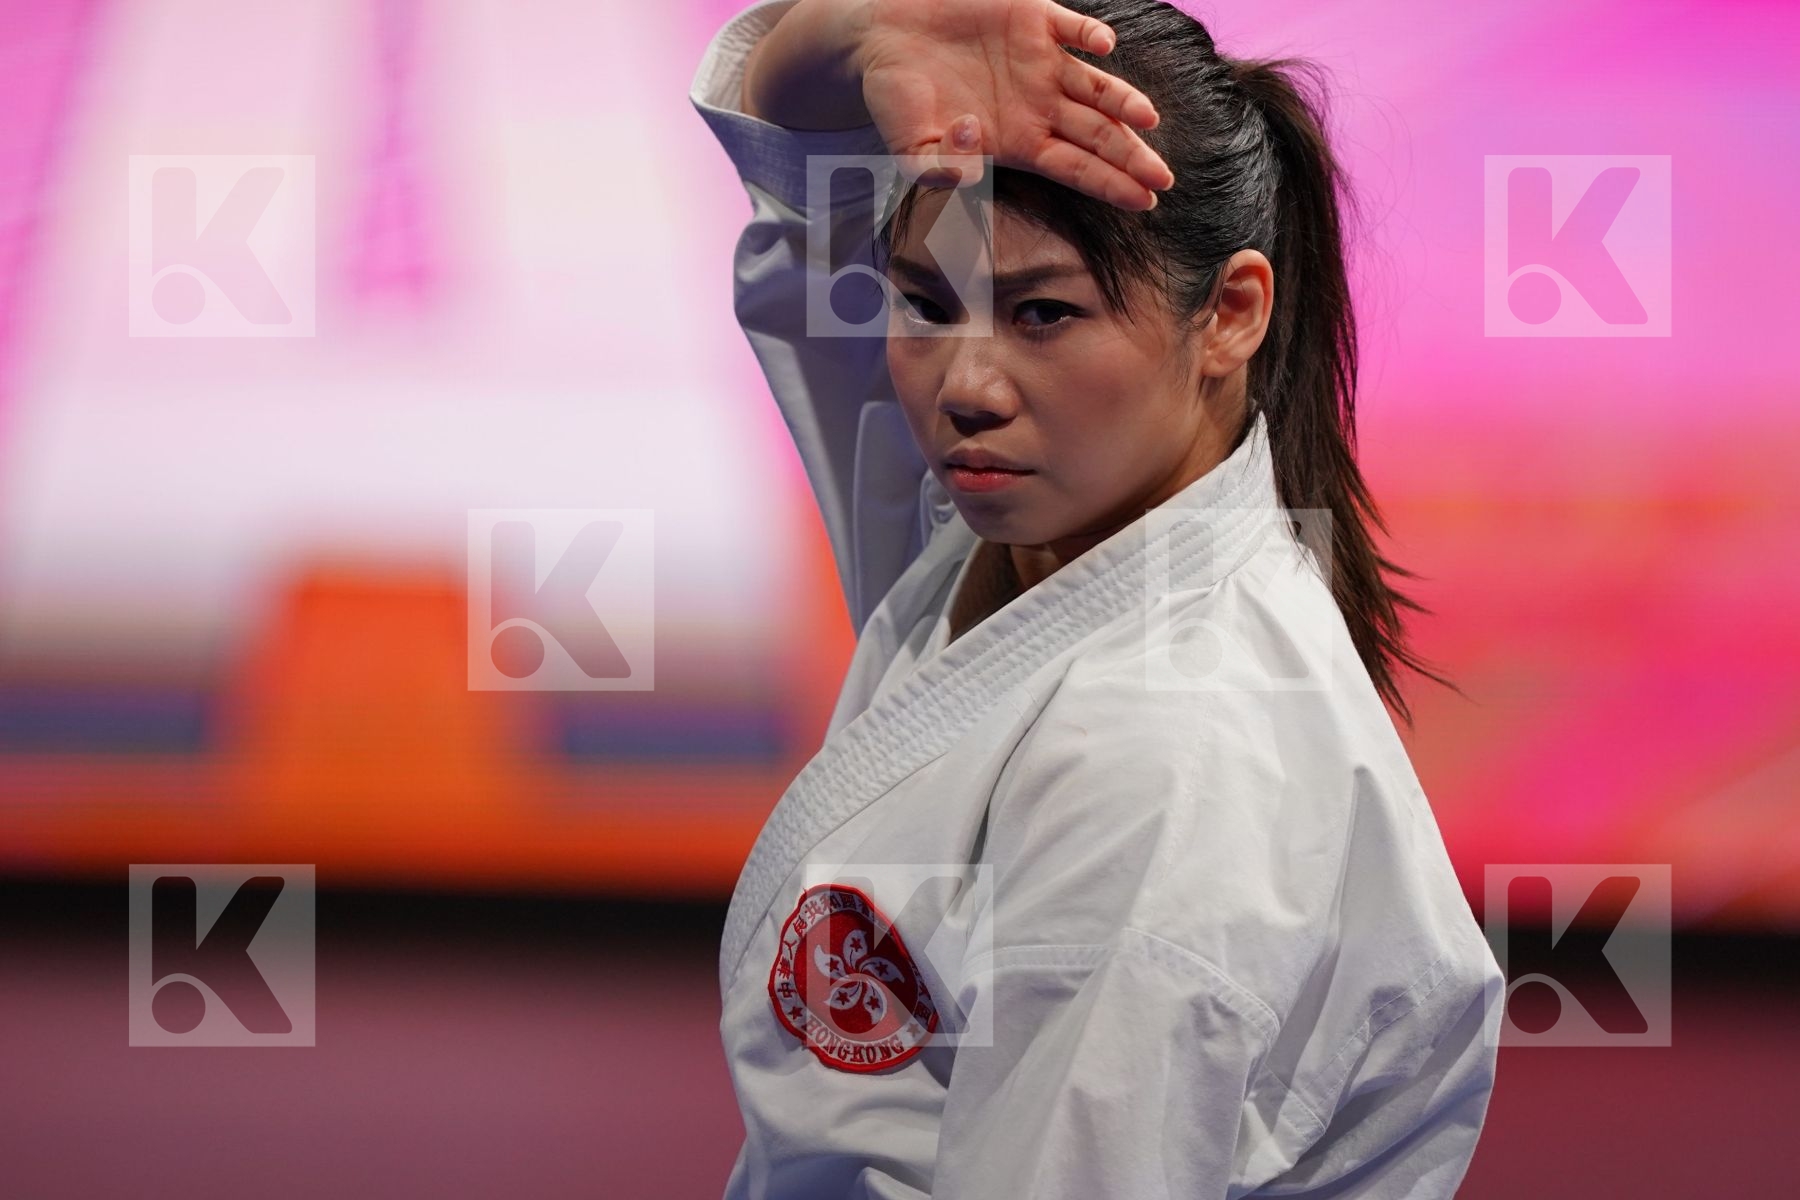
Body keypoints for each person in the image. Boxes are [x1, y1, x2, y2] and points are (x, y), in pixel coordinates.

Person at [688, 0, 1504, 1195]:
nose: (966, 383)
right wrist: (866, 35)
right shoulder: (1015, 510)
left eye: (1044, 313)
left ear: (1229, 314)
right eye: (923, 303)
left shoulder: (1160, 761)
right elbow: (798, 172)